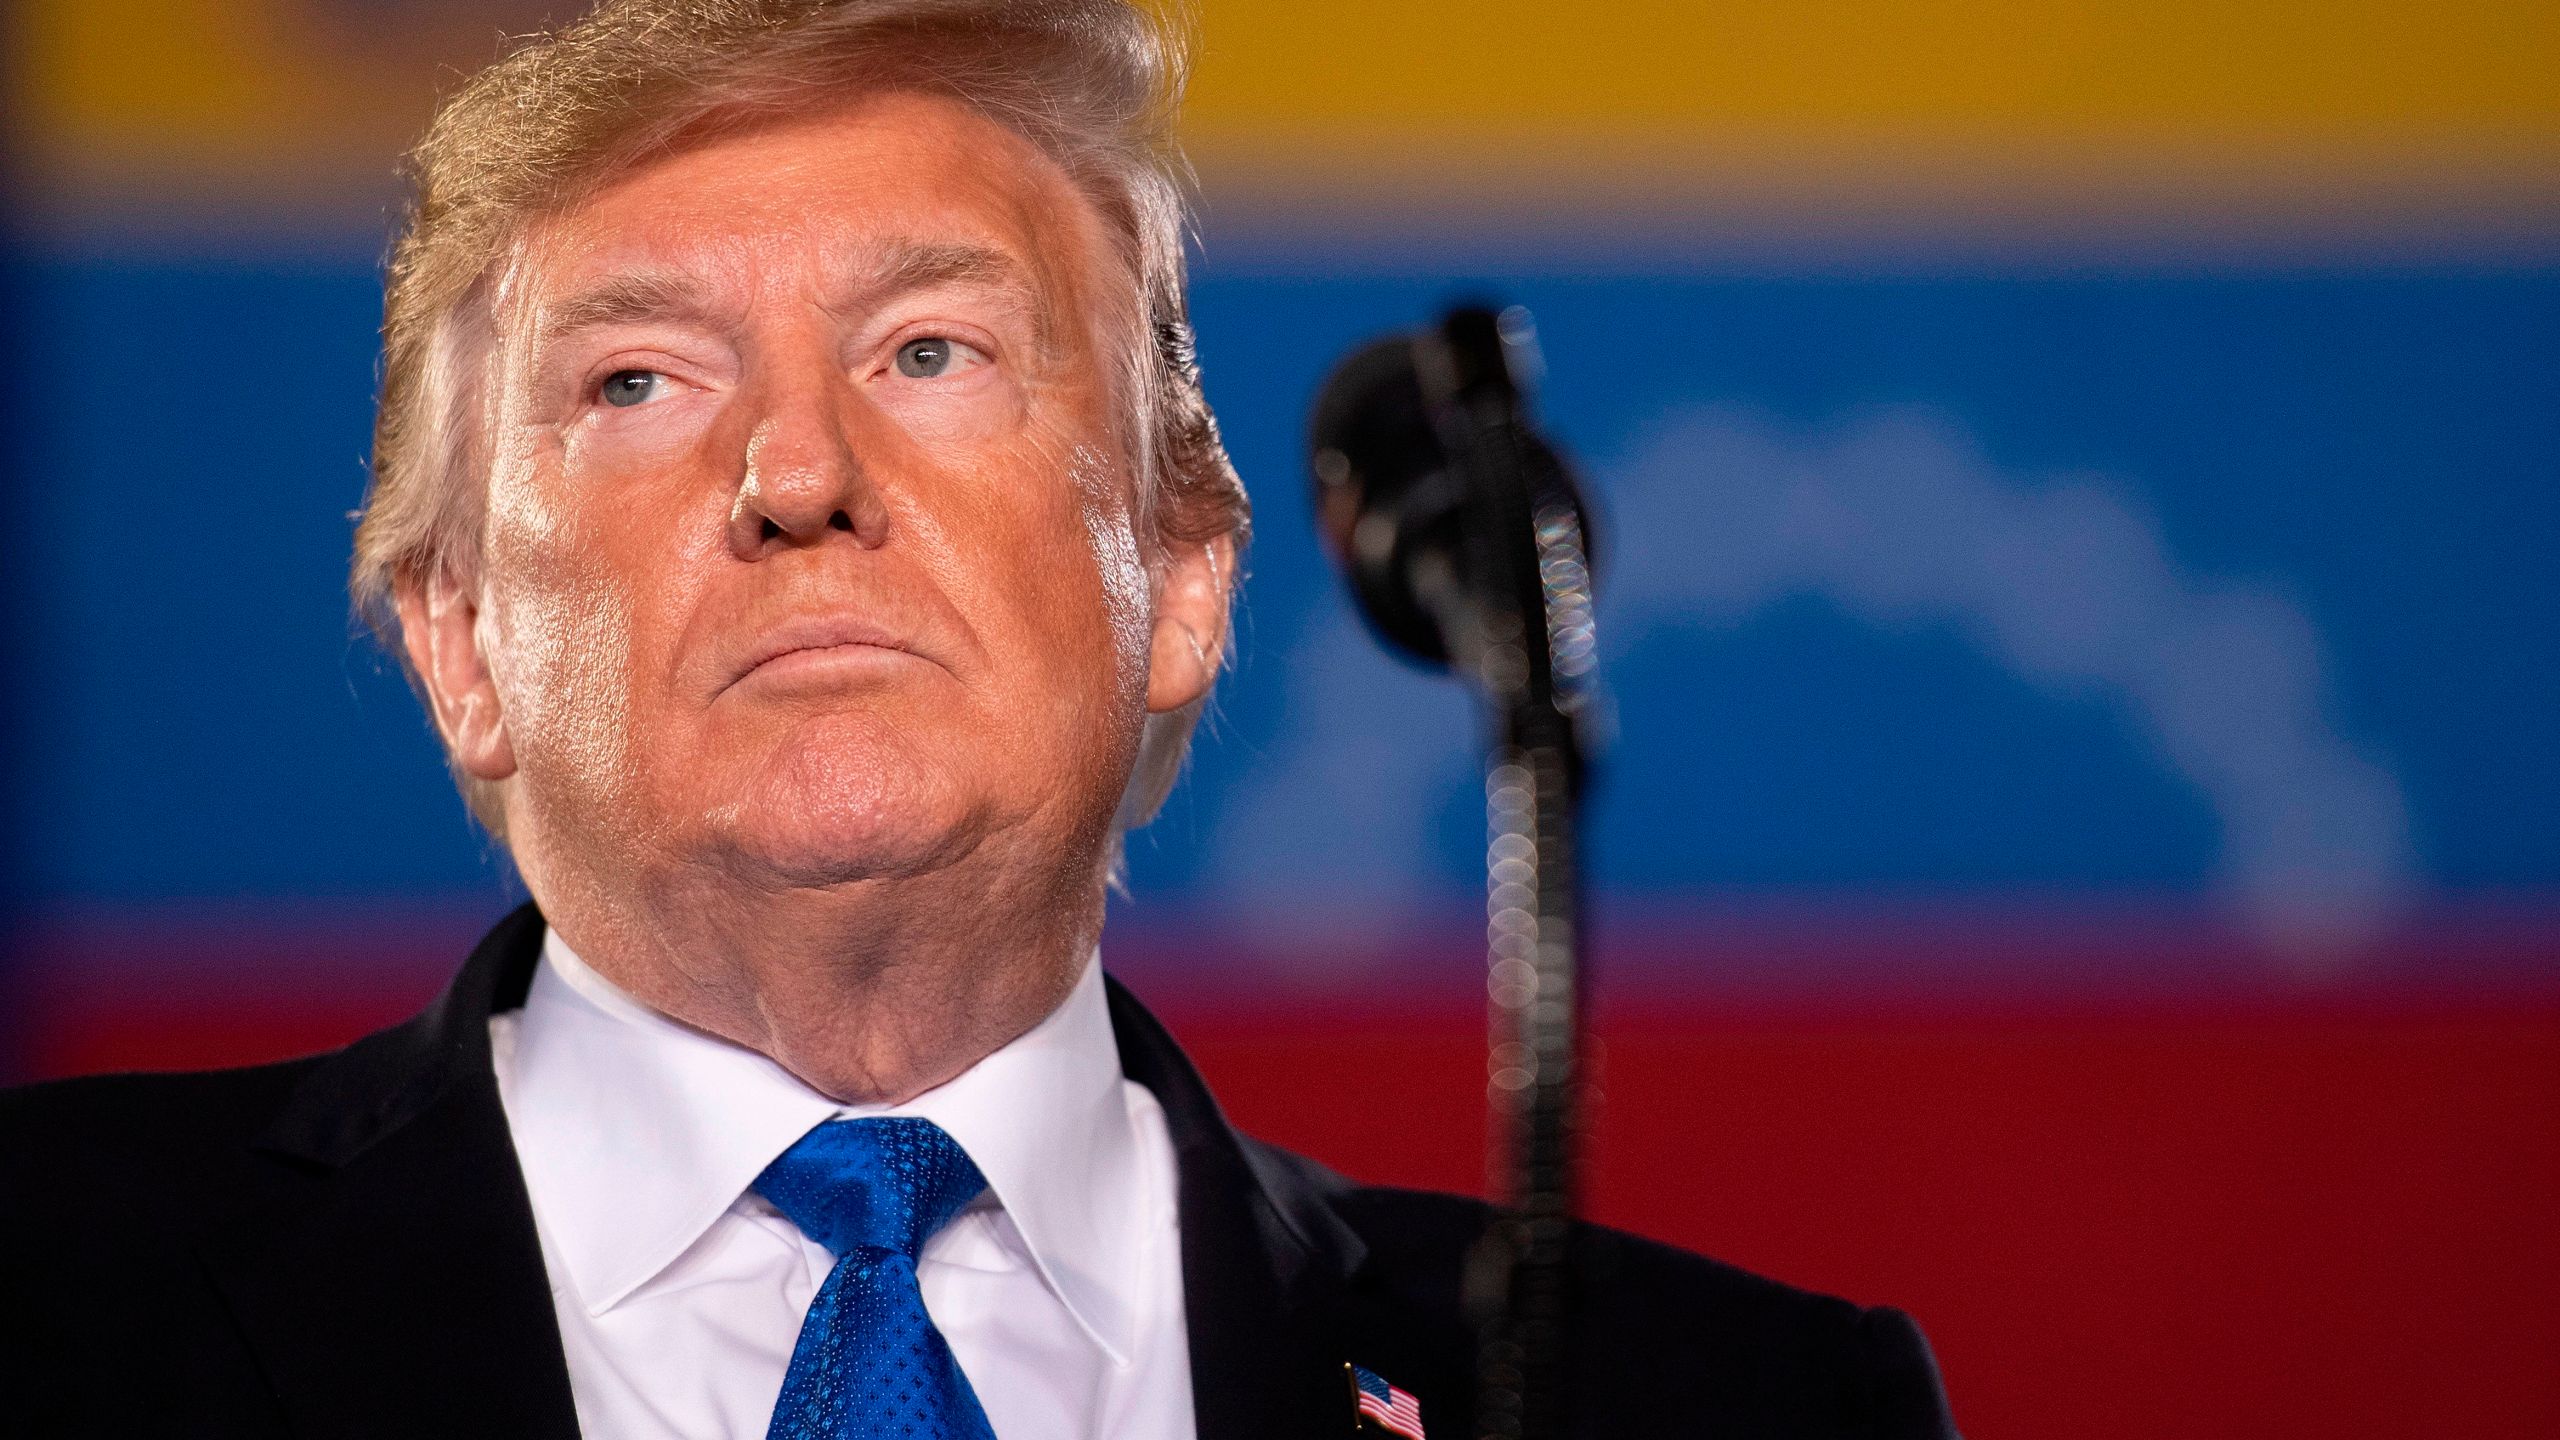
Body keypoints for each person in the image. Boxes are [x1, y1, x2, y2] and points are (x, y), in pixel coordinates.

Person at [0, 2, 1958, 1435]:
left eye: (928, 349)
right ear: (461, 642)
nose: (797, 471)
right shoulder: (55, 1296)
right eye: (639, 380)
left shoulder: (1726, 1410)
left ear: (1179, 576)